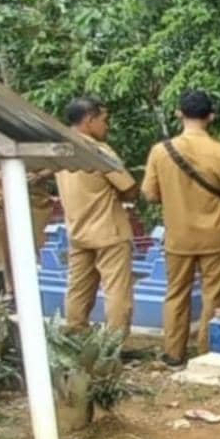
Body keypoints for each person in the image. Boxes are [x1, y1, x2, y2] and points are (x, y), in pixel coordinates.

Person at [143, 90, 220, 368]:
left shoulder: (160, 151)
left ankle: (174, 354)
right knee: (215, 296)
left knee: (176, 293)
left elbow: (150, 194)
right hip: (216, 235)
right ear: (210, 116)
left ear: (179, 113)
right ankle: (206, 353)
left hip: (178, 235)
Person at [55, 96, 138, 336]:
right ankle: (113, 345)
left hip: (78, 231)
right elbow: (128, 187)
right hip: (108, 231)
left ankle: (75, 337)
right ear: (89, 120)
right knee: (117, 291)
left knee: (78, 289)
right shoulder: (97, 151)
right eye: (104, 120)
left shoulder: (61, 149)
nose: (106, 126)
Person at [0, 168, 54, 298]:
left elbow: (59, 160)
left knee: (38, 246)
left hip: (35, 197)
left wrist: (40, 175)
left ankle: (40, 291)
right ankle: (10, 292)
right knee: (4, 249)